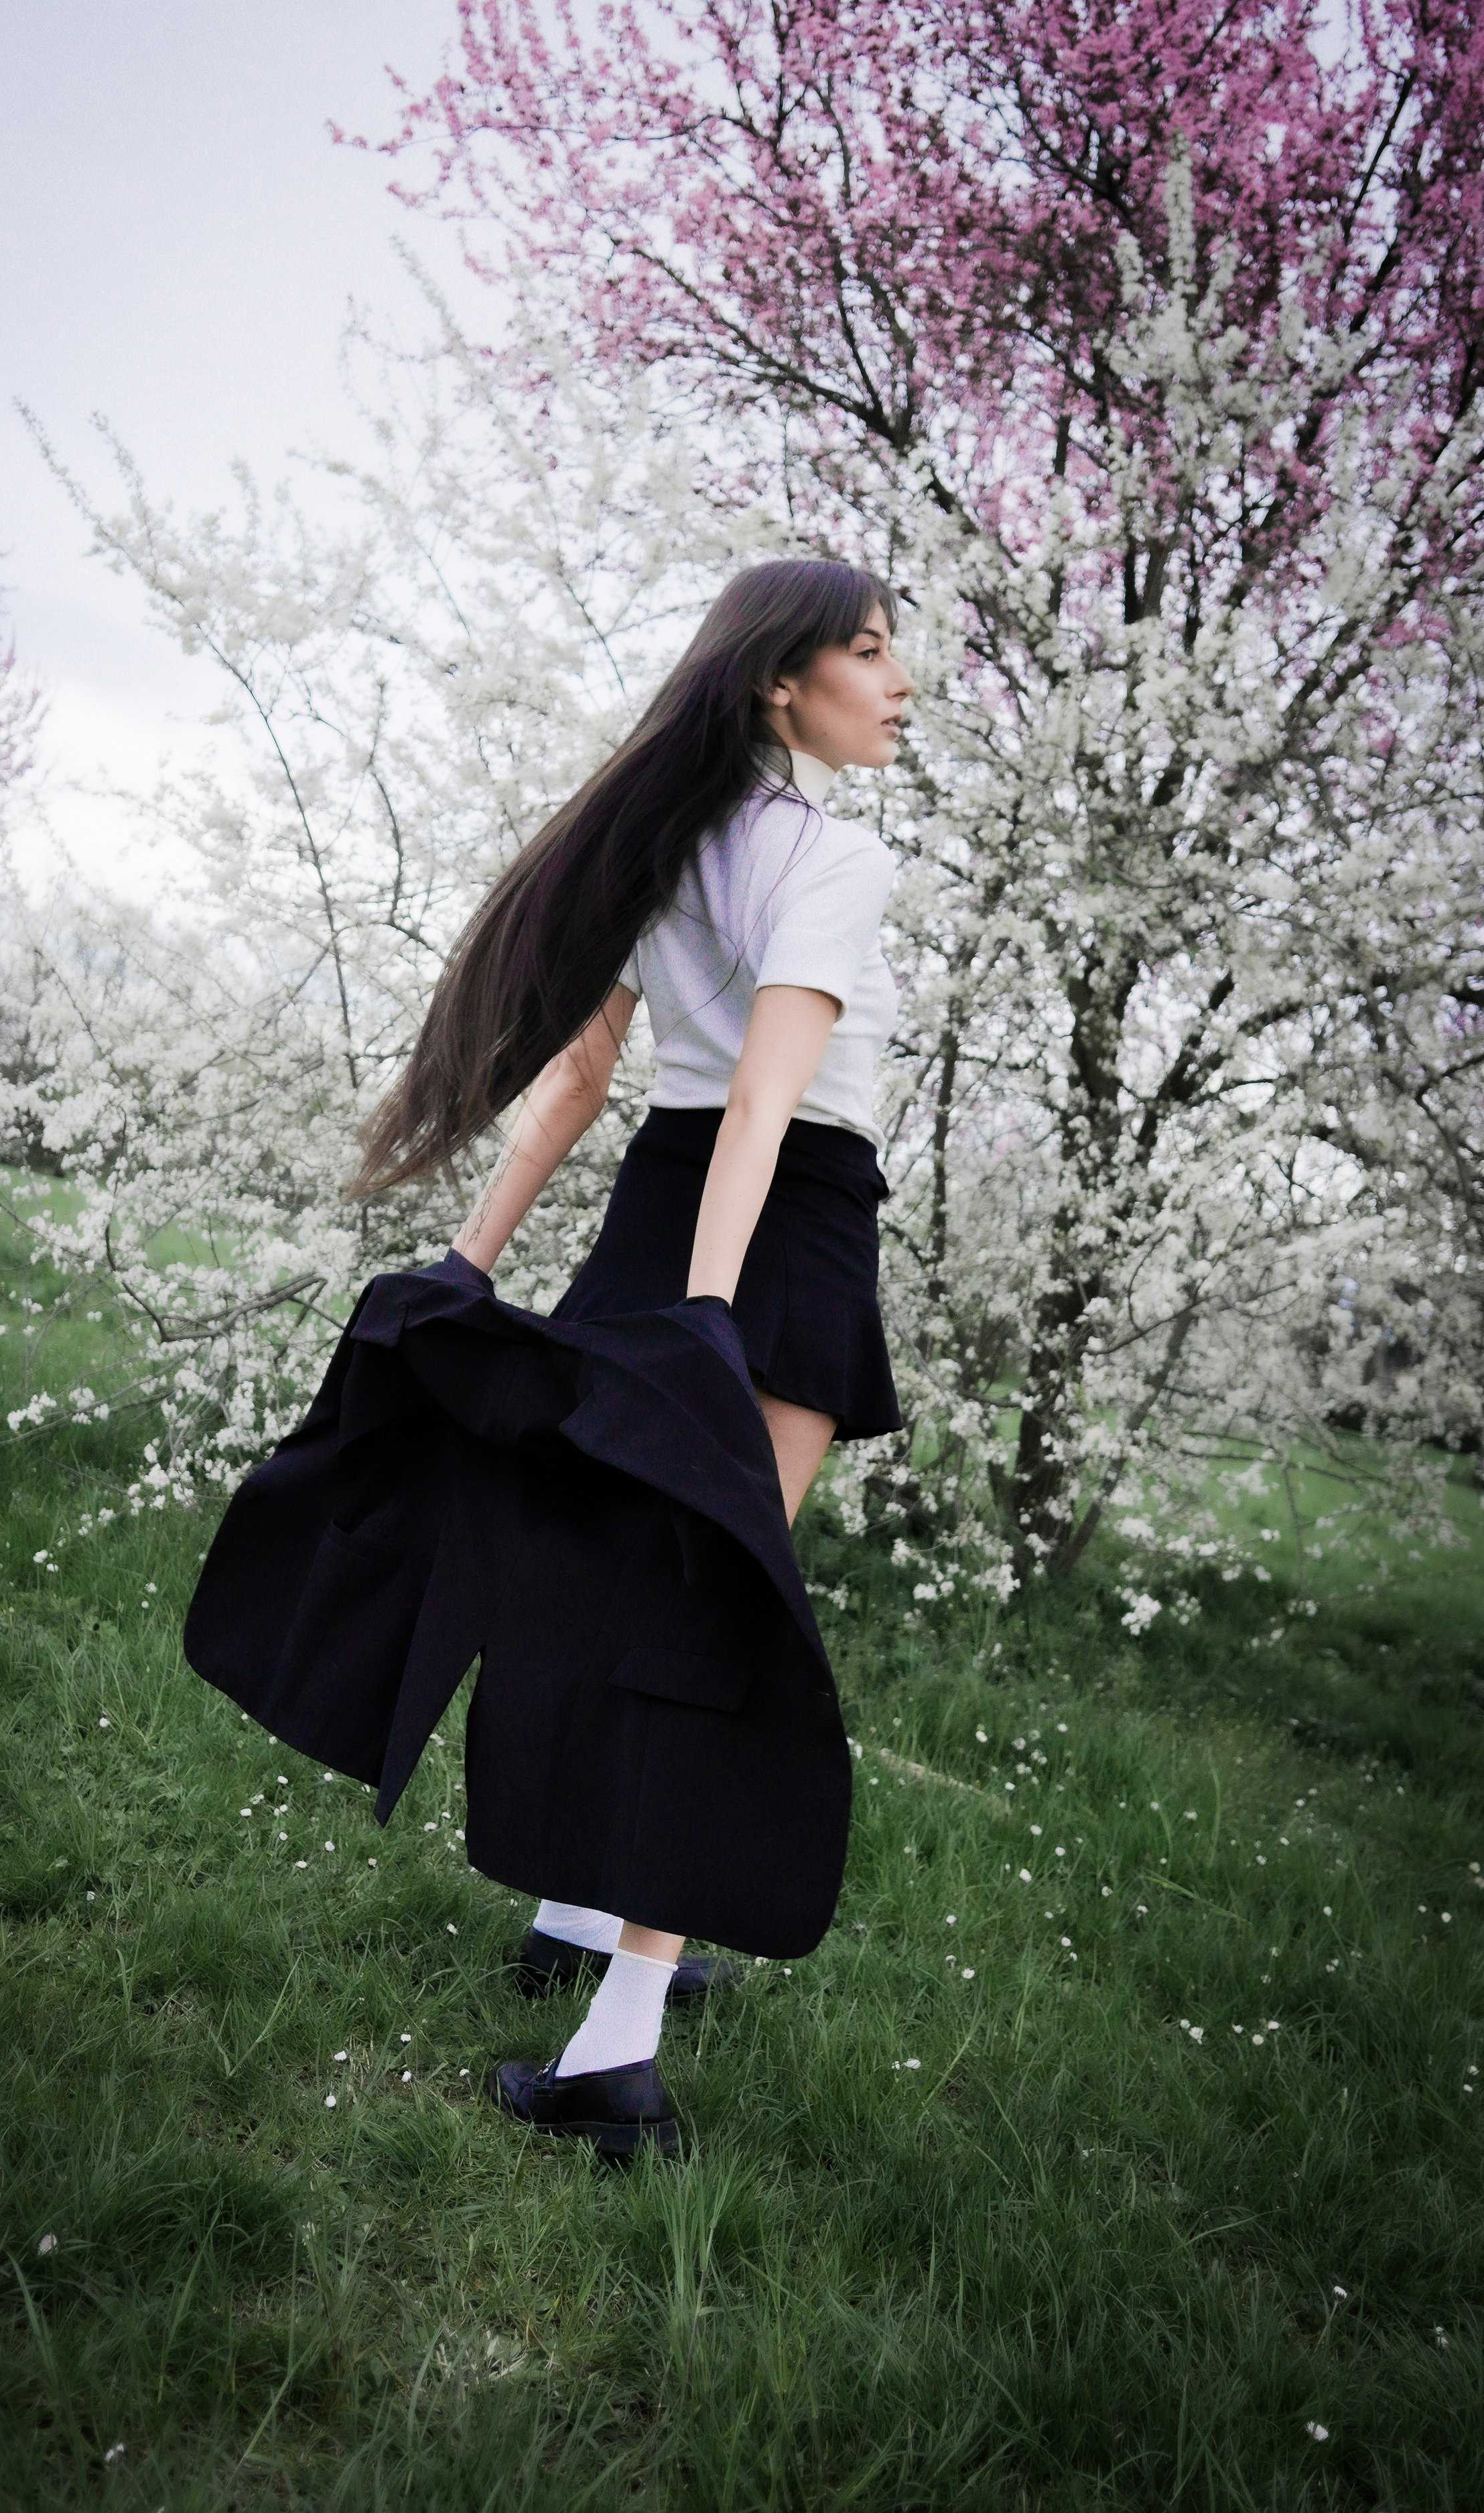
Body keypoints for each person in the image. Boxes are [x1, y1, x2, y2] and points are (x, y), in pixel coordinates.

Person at [184, 558, 912, 2158]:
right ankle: (612, 2059)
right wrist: (712, 1317)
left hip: (660, 1216)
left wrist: (475, 1257)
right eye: (868, 652)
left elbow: (578, 1083)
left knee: (615, 1595)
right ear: (779, 680)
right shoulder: (834, 856)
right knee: (703, 1629)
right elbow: (765, 1103)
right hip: (775, 1227)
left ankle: (581, 1918)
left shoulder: (665, 841)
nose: (898, 682)